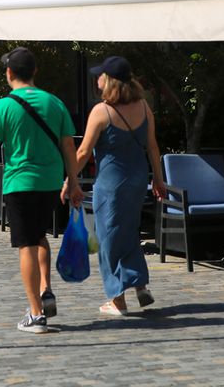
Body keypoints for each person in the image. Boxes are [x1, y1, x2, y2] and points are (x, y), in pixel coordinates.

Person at [0, 47, 83, 333]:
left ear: (8, 73)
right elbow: (69, 146)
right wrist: (74, 180)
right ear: (35, 72)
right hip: (50, 181)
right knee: (39, 235)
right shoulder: (54, 103)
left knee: (26, 245)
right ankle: (45, 288)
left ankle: (36, 314)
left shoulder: (4, 106)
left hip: (20, 182)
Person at [75, 56, 166, 316]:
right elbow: (152, 145)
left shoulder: (102, 111)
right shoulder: (144, 107)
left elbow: (83, 151)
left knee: (108, 239)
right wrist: (158, 179)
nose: (97, 79)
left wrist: (71, 178)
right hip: (138, 179)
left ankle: (117, 299)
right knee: (127, 231)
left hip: (112, 183)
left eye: (100, 75)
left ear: (110, 80)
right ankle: (139, 283)